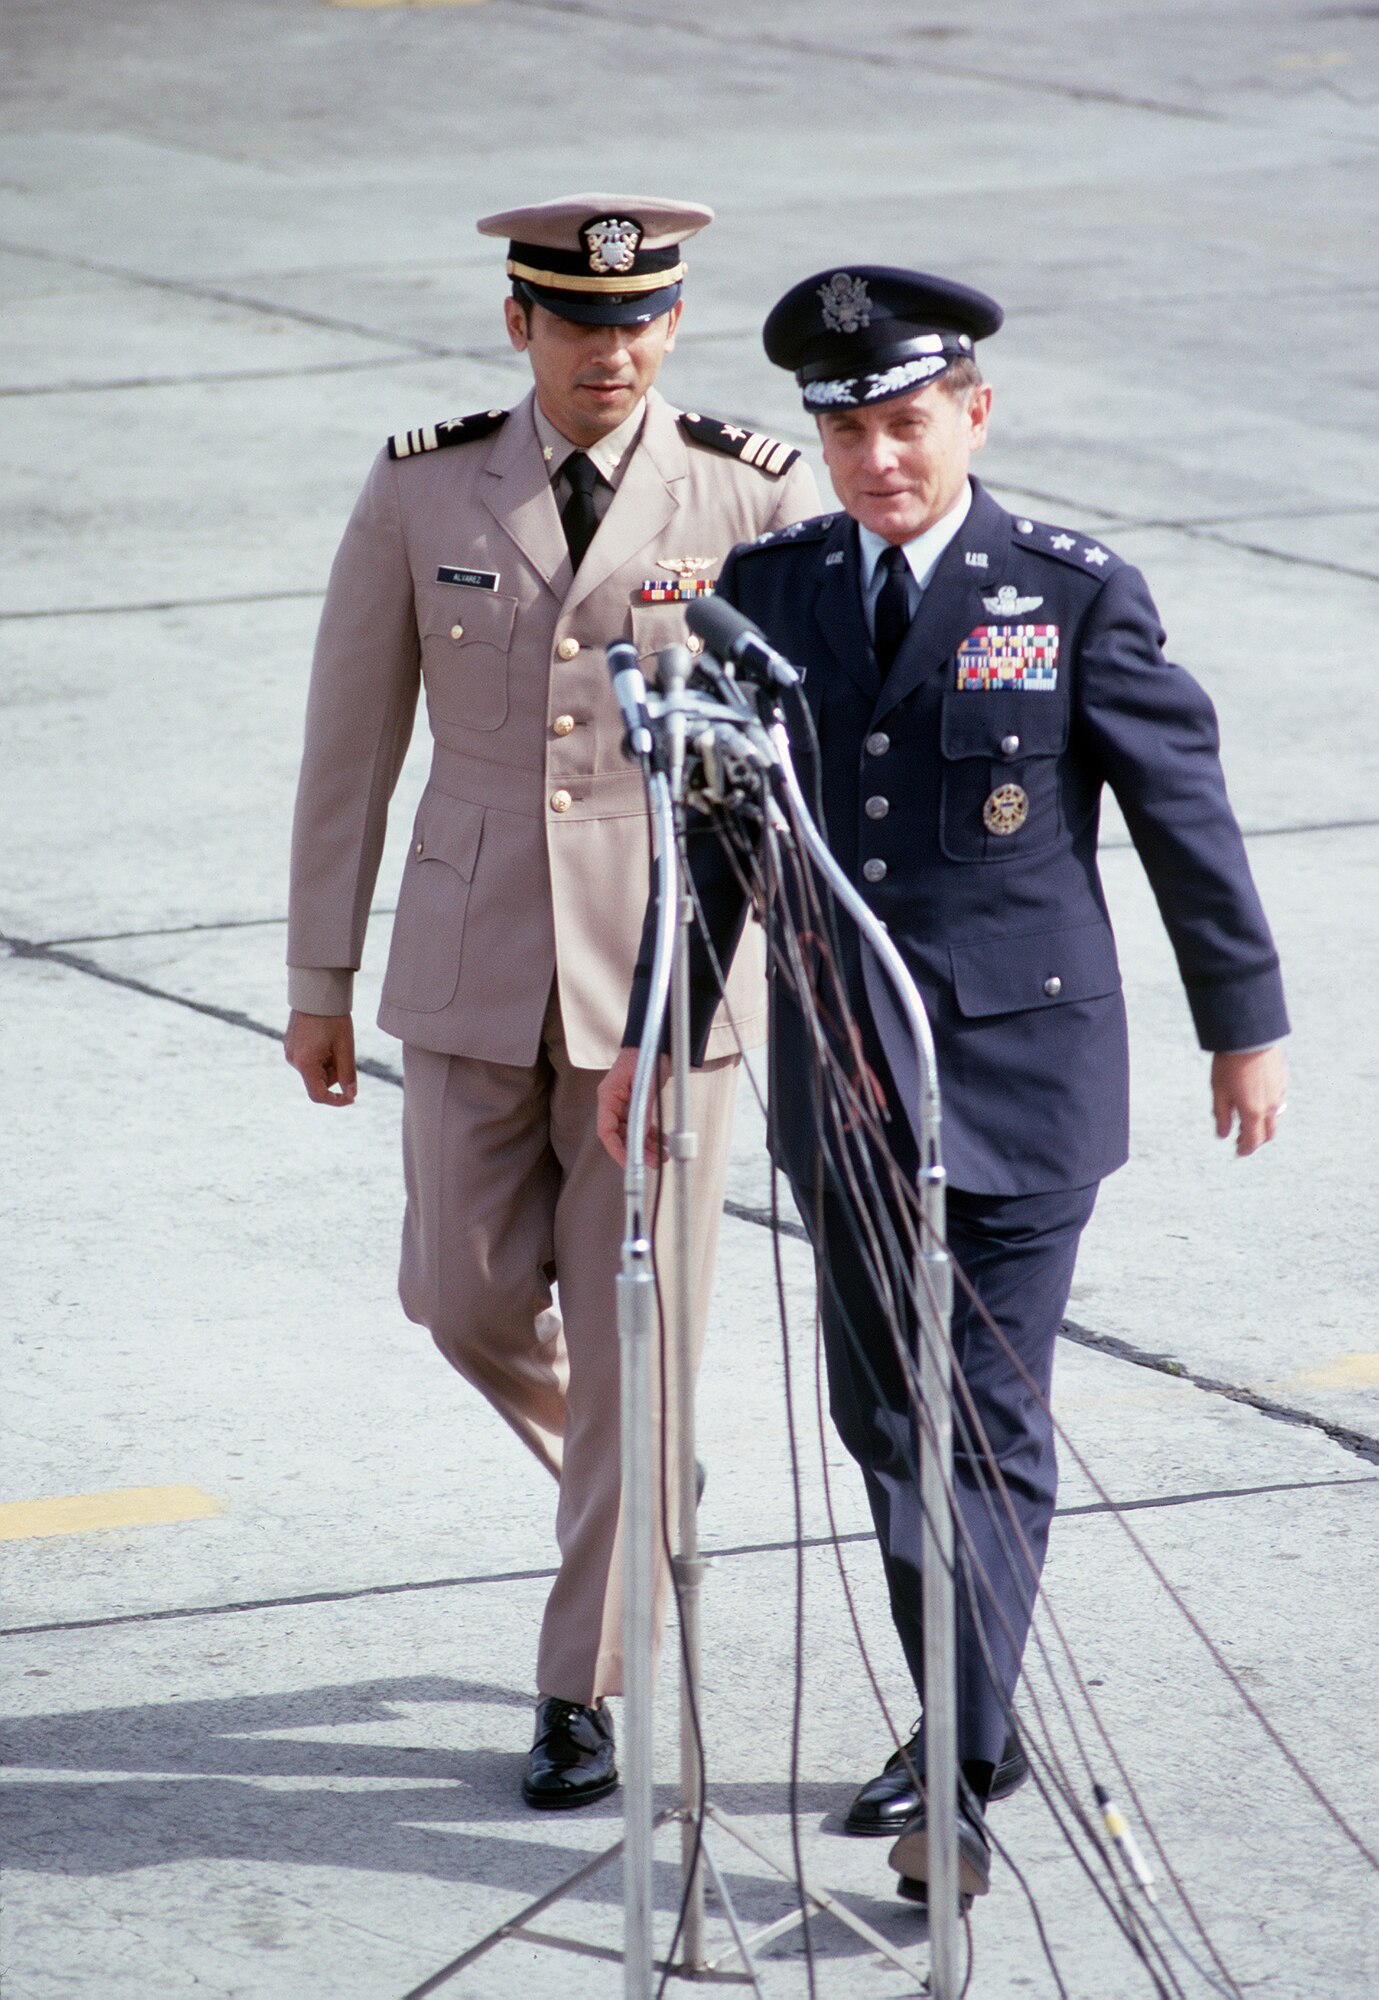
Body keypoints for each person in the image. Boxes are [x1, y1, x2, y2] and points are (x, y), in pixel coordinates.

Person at [597, 263, 1288, 1896]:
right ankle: (968, 1725)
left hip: (1029, 1074)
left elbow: (1186, 821)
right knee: (883, 1419)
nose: (877, 461)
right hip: (843, 1078)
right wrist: (655, 1031)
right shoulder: (765, 596)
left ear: (972, 414)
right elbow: (715, 846)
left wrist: (1240, 1024)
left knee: (982, 1414)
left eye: (905, 424)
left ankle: (956, 1775)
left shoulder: (1069, 593)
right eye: (846, 433)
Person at [283, 195, 819, 1810]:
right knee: (454, 1299)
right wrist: (319, 975)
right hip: (471, 962)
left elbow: (789, 764)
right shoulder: (423, 481)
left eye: (645, 320)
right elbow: (348, 748)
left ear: (674, 325)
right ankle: (641, 1476)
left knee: (636, 1336)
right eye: (583, 324)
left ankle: (579, 1686)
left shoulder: (750, 491)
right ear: (520, 325)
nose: (617, 350)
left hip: (672, 975)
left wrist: (804, 983)